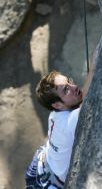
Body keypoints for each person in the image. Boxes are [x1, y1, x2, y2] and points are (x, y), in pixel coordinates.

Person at [25, 49, 97, 189]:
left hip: (41, 163)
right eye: (66, 90)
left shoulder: (55, 112)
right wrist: (93, 68)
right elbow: (85, 102)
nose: (74, 87)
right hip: (48, 183)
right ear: (57, 104)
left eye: (69, 81)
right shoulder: (69, 122)